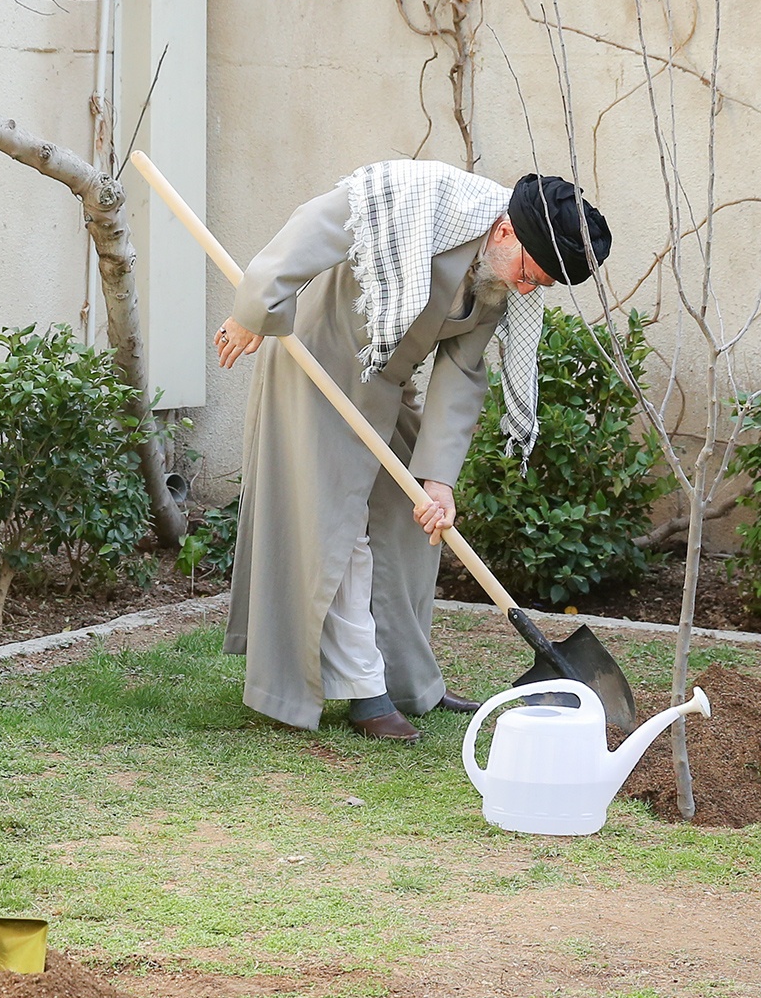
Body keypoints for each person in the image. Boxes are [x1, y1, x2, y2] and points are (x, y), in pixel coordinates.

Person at [214, 161, 612, 741]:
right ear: (506, 232)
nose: (529, 290)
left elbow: (462, 370)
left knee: (409, 521)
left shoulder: (498, 278)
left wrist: (438, 481)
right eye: (533, 275)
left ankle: (407, 679)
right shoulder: (414, 196)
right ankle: (366, 693)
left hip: (381, 386)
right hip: (317, 369)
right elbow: (311, 227)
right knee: (336, 530)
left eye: (541, 287)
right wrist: (253, 311)